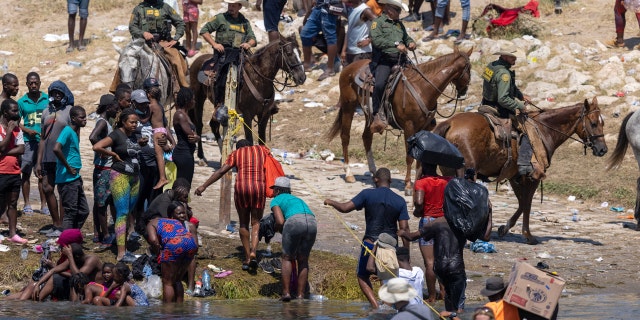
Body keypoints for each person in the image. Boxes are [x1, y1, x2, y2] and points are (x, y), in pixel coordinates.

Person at [324, 167, 410, 308]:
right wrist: (405, 254)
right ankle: (386, 307)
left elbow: (345, 208)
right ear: (390, 181)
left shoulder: (367, 194)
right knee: (386, 277)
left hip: (369, 244)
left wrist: (331, 202)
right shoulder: (400, 201)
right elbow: (404, 229)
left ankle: (376, 307)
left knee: (362, 276)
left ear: (375, 179)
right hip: (390, 247)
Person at [400, 212, 492, 319]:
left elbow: (412, 237)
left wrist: (402, 233)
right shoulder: (464, 224)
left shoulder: (436, 223)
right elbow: (486, 237)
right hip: (456, 267)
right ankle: (455, 315)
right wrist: (489, 215)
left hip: (440, 268)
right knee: (458, 306)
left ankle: (449, 315)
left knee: (448, 297)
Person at [195, 139, 268, 271]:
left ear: (239, 147)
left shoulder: (236, 153)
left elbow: (221, 171)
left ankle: (247, 257)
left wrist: (203, 186)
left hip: (242, 187)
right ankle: (253, 252)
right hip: (259, 187)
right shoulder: (261, 150)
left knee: (244, 223)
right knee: (256, 223)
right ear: (250, 145)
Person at [93, 108, 141, 263]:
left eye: (136, 122)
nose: (135, 125)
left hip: (134, 177)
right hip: (120, 176)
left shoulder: (134, 135)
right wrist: (112, 154)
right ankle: (121, 253)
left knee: (128, 212)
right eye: (132, 122)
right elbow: (97, 146)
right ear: (123, 122)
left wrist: (141, 142)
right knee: (122, 213)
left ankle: (123, 245)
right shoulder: (116, 135)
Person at [481, 45, 535, 177]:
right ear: (504, 56)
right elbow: (503, 99)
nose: (515, 59)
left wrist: (521, 96)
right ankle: (523, 164)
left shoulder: (492, 65)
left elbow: (509, 87)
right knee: (528, 128)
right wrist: (520, 105)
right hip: (499, 108)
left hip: (485, 103)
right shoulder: (504, 74)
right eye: (512, 57)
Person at [369, 0, 416, 134]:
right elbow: (377, 40)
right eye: (398, 10)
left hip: (401, 59)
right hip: (385, 60)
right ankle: (377, 113)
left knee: (418, 77)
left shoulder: (399, 24)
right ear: (389, 9)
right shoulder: (377, 23)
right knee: (379, 84)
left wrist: (411, 43)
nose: (400, 13)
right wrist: (396, 44)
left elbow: (406, 38)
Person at [199, 0, 257, 106]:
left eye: (233, 5)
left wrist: (248, 44)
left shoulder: (244, 22)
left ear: (239, 6)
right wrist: (215, 44)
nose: (231, 7)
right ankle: (219, 102)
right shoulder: (220, 18)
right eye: (230, 5)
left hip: (239, 53)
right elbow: (204, 31)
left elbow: (253, 38)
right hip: (223, 53)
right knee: (222, 75)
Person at [36, 80, 74, 237]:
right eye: (53, 92)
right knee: (47, 188)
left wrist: (72, 158)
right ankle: (56, 224)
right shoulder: (46, 112)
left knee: (63, 191)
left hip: (63, 158)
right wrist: (38, 162)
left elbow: (74, 136)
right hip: (47, 158)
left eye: (59, 92)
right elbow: (43, 139)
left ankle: (63, 227)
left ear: (65, 93)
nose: (56, 95)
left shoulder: (70, 111)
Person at [270, 176, 317, 301]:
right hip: (312, 223)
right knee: (303, 259)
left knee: (287, 257)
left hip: (295, 222)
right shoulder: (297, 199)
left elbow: (280, 222)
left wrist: (276, 229)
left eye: (274, 190)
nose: (273, 193)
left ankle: (286, 293)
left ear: (278, 190)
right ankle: (301, 295)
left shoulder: (276, 200)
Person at [8, 229, 85, 300]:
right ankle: (7, 302)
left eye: (62, 246)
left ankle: (23, 305)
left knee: (32, 287)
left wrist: (53, 266)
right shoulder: (65, 257)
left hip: (64, 286)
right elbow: (55, 269)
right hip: (55, 283)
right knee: (28, 288)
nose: (60, 247)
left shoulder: (75, 258)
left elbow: (74, 276)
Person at [413, 163, 452, 302]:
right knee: (442, 260)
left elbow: (418, 202)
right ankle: (443, 292)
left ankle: (431, 296)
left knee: (429, 263)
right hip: (443, 222)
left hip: (428, 221)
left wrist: (417, 212)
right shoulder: (446, 181)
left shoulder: (421, 182)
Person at [129, 0, 189, 88]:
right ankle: (118, 89)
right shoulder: (138, 9)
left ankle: (182, 88)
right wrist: (143, 33)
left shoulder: (165, 7)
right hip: (142, 43)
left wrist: (176, 38)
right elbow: (132, 27)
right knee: (125, 58)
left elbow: (180, 23)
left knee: (176, 58)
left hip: (163, 42)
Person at [146, 201, 198, 303]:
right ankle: (178, 310)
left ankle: (168, 312)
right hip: (190, 243)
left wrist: (159, 254)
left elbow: (153, 241)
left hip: (175, 244)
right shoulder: (174, 221)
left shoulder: (151, 223)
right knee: (177, 280)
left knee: (168, 282)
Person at [89, 94, 118, 248]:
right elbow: (92, 137)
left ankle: (99, 233)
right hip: (103, 169)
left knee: (102, 202)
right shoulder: (102, 122)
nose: (117, 110)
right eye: (115, 107)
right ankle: (106, 235)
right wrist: (103, 150)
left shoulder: (104, 121)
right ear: (109, 107)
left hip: (104, 168)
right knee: (102, 203)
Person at [53, 105, 90, 230]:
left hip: (75, 177)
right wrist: (68, 167)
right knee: (70, 212)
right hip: (67, 179)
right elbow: (56, 148)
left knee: (84, 211)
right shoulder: (67, 131)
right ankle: (67, 244)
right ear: (73, 118)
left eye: (85, 117)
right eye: (82, 118)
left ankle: (71, 236)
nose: (85, 120)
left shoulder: (74, 132)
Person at [17, 72, 48, 216]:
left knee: (42, 173)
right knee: (26, 173)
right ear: (27, 84)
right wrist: (27, 130)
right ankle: (27, 203)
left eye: (36, 82)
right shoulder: (22, 102)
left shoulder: (47, 99)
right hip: (28, 142)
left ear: (40, 83)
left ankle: (43, 205)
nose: (33, 85)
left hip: (44, 142)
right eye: (31, 83)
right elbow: (16, 122)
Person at [33, 242, 104, 302]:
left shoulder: (92, 260)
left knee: (75, 282)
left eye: (69, 256)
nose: (68, 259)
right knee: (55, 277)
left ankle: (74, 309)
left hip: (94, 290)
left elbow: (78, 277)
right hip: (81, 289)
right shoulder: (73, 259)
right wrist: (38, 284)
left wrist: (70, 256)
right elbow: (53, 270)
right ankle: (38, 301)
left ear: (76, 257)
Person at [0, 99, 26, 244]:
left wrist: (3, 152)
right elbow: (1, 147)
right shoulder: (2, 129)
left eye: (17, 110)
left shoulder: (18, 130)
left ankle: (13, 233)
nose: (17, 113)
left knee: (13, 203)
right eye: (14, 111)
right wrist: (8, 133)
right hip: (1, 171)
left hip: (15, 172)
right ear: (5, 112)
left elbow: (21, 149)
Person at [143, 80, 175, 190]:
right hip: (162, 131)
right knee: (161, 155)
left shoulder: (151, 106)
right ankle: (163, 177)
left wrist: (139, 118)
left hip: (157, 132)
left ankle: (162, 178)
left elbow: (146, 119)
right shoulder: (160, 106)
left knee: (158, 155)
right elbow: (165, 124)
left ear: (148, 94)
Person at [300, 0, 340, 81]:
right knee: (305, 33)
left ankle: (330, 69)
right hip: (318, 7)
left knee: (330, 37)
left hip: (329, 7)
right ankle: (307, 64)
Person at [172, 87, 199, 184]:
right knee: (183, 186)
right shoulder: (180, 115)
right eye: (193, 99)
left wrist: (197, 137)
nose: (194, 102)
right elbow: (191, 136)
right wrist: (197, 137)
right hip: (183, 154)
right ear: (187, 100)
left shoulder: (184, 114)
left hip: (186, 153)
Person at [341, 0, 376, 66]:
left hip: (362, 52)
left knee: (359, 75)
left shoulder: (365, 10)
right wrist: (344, 50)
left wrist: (369, 40)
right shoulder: (351, 9)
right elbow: (349, 31)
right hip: (350, 52)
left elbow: (380, 26)